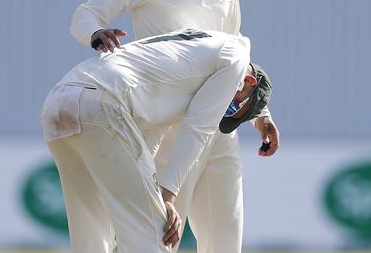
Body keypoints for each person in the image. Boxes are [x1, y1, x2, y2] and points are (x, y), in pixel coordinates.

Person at [69, 0, 280, 252]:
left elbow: (235, 46)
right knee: (159, 237)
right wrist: (96, 34)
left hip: (218, 126)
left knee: (226, 241)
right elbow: (84, 14)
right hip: (167, 126)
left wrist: (259, 112)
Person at [40, 29, 273, 253]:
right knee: (153, 234)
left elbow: (150, 137)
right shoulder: (235, 59)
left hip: (59, 100)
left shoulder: (194, 53)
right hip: (100, 102)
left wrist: (153, 192)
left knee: (92, 234)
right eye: (230, 106)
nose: (222, 108)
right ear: (248, 81)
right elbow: (198, 129)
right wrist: (167, 198)